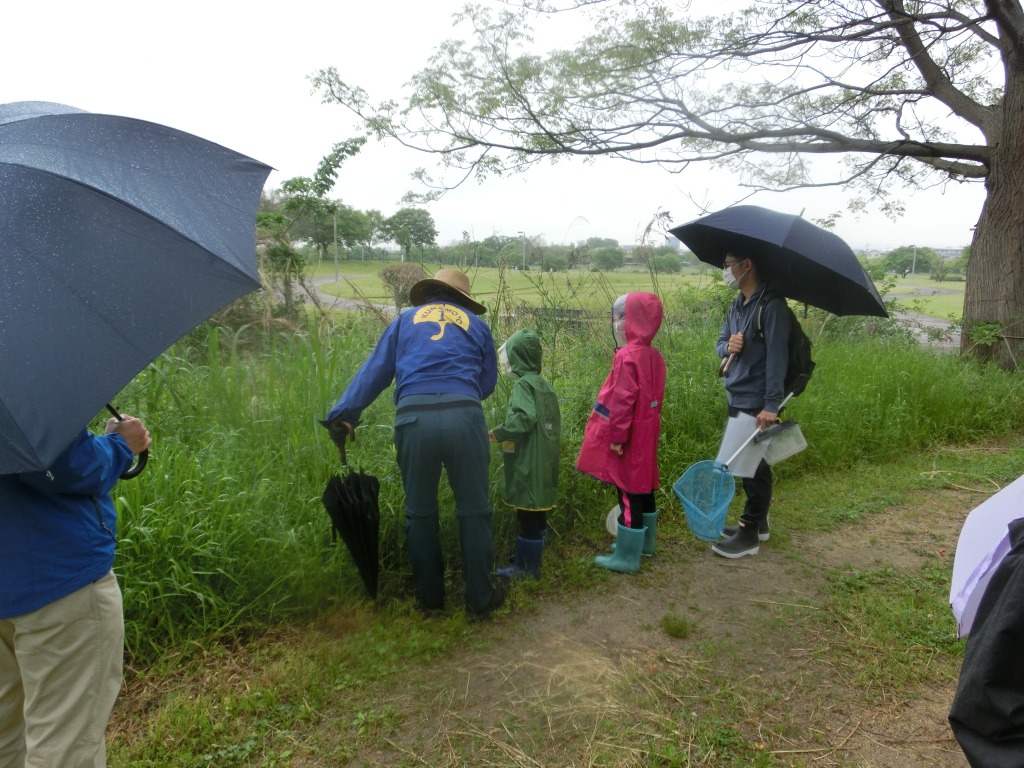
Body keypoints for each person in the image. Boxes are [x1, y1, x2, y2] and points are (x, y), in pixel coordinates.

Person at [321, 268, 506, 619]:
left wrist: (343, 415)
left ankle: (431, 601)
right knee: (474, 510)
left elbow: (374, 372)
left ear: (431, 292)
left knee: (420, 512)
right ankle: (479, 600)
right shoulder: (477, 325)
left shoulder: (404, 321)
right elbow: (486, 384)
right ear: (463, 298)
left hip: (413, 419)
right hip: (464, 418)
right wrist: (458, 392)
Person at [0, 415, 152, 768]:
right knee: (63, 745)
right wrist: (120, 445)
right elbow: (60, 466)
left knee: (4, 737)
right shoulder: (20, 391)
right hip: (55, 582)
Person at [576, 292, 666, 574]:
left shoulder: (627, 356)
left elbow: (622, 401)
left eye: (622, 317)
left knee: (627, 489)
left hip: (630, 435)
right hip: (647, 431)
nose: (617, 323)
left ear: (634, 321)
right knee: (645, 485)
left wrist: (617, 438)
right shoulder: (654, 355)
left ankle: (627, 556)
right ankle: (645, 544)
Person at [712, 252, 791, 558]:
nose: (726, 271)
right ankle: (759, 524)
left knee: (753, 467)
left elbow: (777, 359)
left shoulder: (772, 307)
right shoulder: (737, 305)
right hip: (737, 392)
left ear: (746, 265)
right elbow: (721, 343)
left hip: (758, 400)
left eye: (728, 264)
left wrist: (771, 405)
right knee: (751, 465)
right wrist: (728, 346)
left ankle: (748, 533)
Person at [489, 329, 561, 580]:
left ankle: (527, 568)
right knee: (539, 509)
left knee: (527, 510)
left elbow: (523, 418)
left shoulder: (522, 385)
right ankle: (531, 555)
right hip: (545, 458)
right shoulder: (543, 385)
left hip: (529, 458)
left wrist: (497, 433)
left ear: (517, 357)